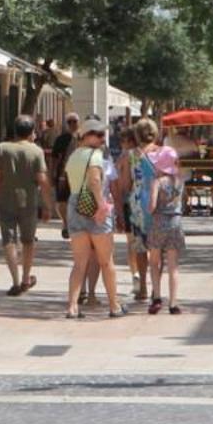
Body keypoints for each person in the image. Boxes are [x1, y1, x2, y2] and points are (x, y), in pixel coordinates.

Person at [0, 114, 54, 297]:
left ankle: (14, 280)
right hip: (28, 200)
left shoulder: (2, 148)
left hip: (5, 199)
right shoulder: (36, 151)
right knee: (28, 241)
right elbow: (42, 179)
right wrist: (48, 205)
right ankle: (25, 278)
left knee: (9, 240)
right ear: (31, 132)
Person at [61, 117, 122, 317]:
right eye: (97, 134)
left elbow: (71, 183)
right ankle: (114, 305)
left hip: (75, 204)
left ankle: (72, 306)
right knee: (106, 261)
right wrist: (102, 205)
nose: (101, 138)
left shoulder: (72, 157)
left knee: (79, 262)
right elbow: (95, 180)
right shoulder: (95, 156)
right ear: (85, 136)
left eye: (102, 134)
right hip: (95, 207)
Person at [135, 117, 184, 315]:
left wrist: (148, 208)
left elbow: (152, 205)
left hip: (157, 222)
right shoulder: (178, 181)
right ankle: (173, 303)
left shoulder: (157, 181)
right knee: (173, 265)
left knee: (154, 262)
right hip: (175, 222)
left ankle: (156, 297)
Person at [114, 125, 150, 304]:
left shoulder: (129, 156)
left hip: (135, 204)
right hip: (156, 205)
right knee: (156, 248)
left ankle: (140, 282)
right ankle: (154, 287)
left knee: (136, 246)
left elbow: (125, 185)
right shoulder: (161, 152)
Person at [51, 112, 80, 231]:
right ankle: (66, 222)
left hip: (80, 173)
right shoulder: (61, 139)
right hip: (63, 174)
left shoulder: (83, 138)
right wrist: (53, 172)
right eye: (70, 122)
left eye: (75, 121)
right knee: (62, 200)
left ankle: (76, 222)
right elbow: (55, 157)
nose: (72, 124)